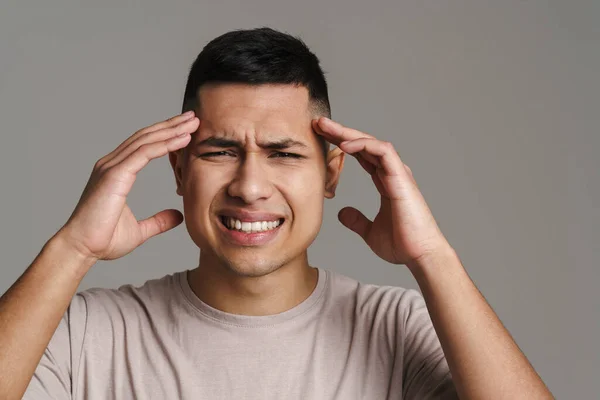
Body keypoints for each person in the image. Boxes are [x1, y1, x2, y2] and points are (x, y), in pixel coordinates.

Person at [0, 27, 552, 400]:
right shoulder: (86, 334)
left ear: (332, 171)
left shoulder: (401, 327)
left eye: (283, 154)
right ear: (177, 168)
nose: (250, 186)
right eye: (220, 152)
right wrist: (71, 249)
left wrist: (433, 257)